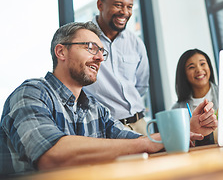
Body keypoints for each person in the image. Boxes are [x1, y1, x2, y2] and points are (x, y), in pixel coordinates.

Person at [0, 22, 204, 176]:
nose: (99, 58)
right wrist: (146, 143)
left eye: (101, 51)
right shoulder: (29, 94)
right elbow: (50, 156)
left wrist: (186, 129)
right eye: (90, 47)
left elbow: (135, 140)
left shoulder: (95, 108)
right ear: (61, 51)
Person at [83, 0, 150, 135]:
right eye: (118, 5)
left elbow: (141, 86)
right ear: (100, 5)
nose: (125, 12)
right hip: (105, 128)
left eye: (129, 7)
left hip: (140, 125)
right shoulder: (82, 38)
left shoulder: (136, 43)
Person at [172, 49, 218, 145]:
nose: (199, 70)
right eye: (191, 67)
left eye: (202, 64)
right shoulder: (176, 110)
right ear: (184, 74)